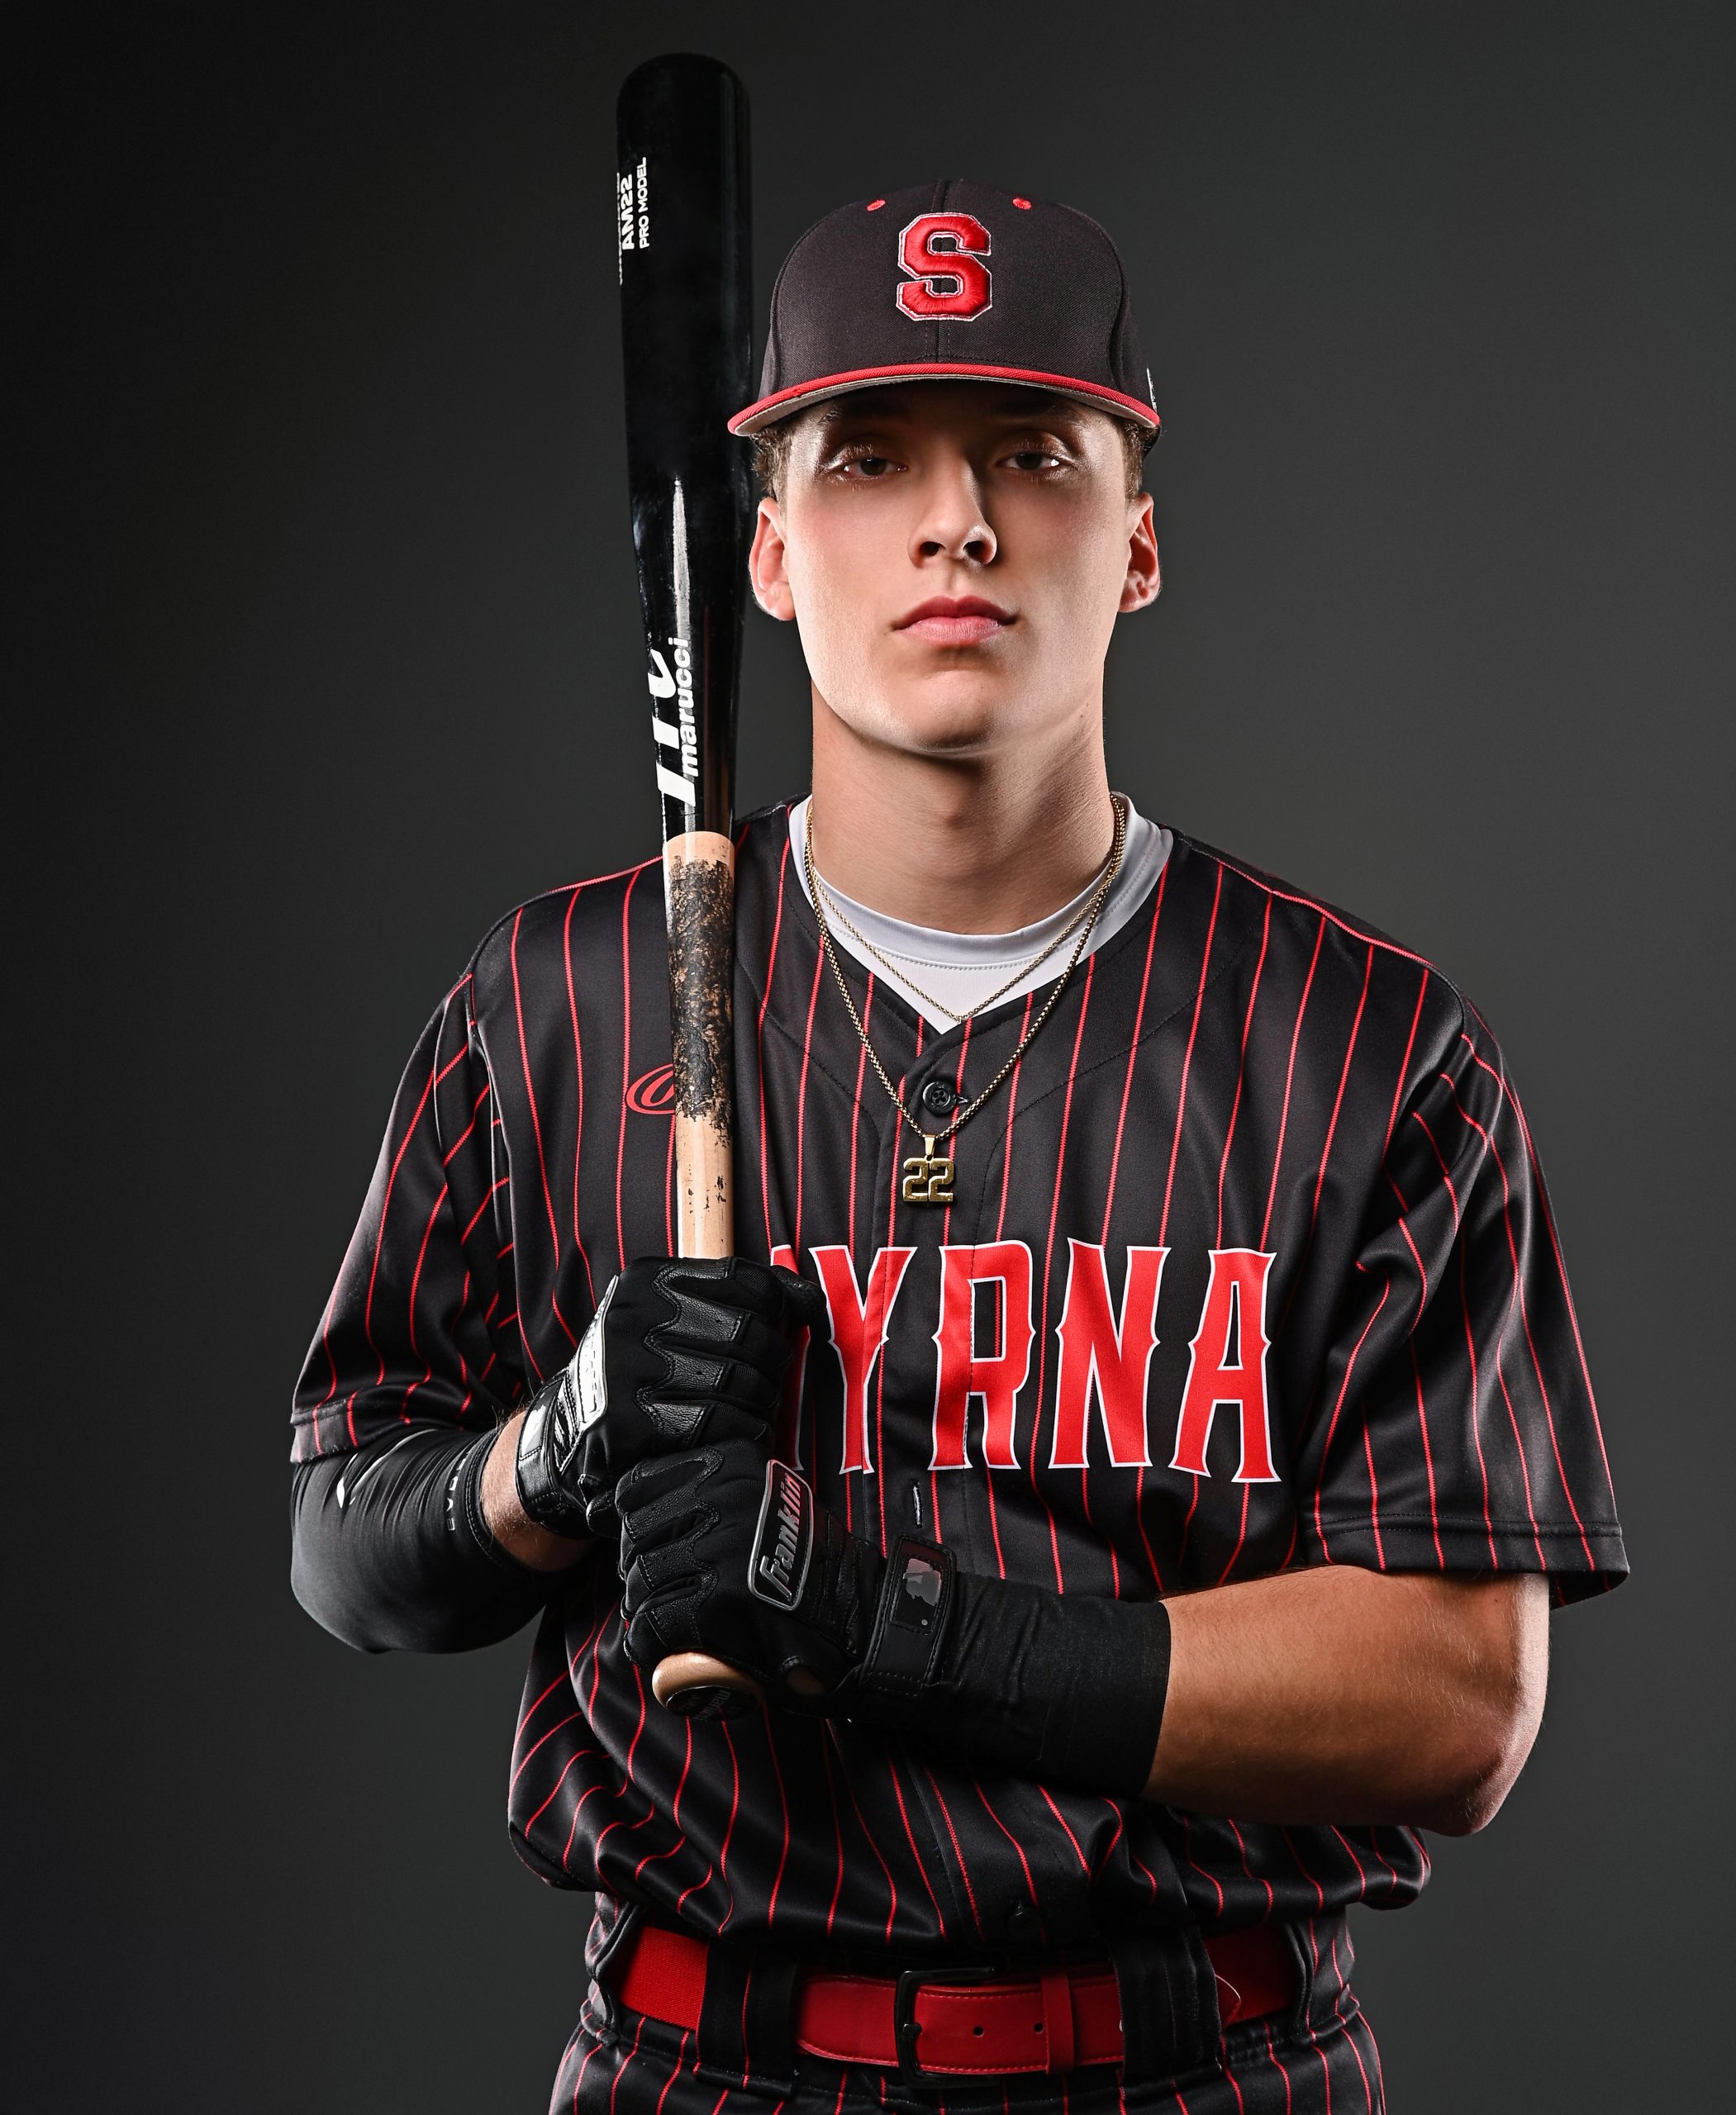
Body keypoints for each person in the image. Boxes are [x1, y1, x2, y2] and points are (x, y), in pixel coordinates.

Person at [291, 178, 1627, 2114]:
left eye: (1032, 452)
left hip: (1200, 2063)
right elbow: (348, 1548)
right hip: (702, 2064)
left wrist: (884, 1628)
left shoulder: (1365, 1043)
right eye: (869, 456)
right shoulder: (558, 997)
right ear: (763, 551)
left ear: (1138, 539)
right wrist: (556, 1442)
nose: (957, 521)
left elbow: (1456, 1703)